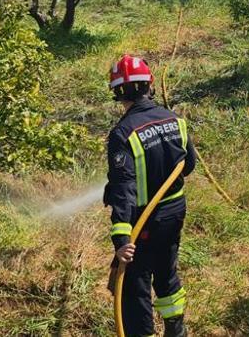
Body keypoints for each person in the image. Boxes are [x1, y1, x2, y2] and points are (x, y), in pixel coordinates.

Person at [104, 54, 196, 337]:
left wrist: (122, 239)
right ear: (149, 84)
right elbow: (188, 165)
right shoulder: (176, 121)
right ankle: (176, 330)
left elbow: (124, 189)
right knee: (167, 272)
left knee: (135, 282)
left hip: (143, 222)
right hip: (174, 213)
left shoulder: (123, 133)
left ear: (118, 92)